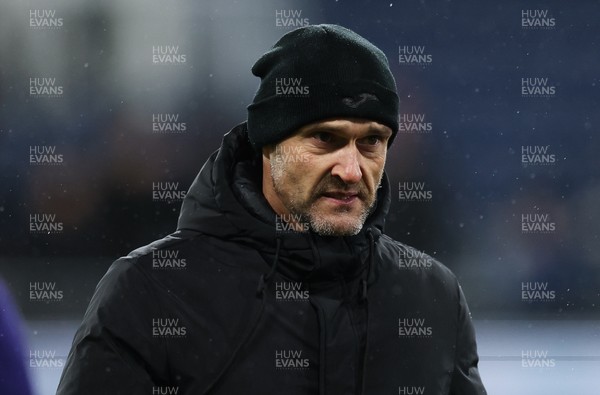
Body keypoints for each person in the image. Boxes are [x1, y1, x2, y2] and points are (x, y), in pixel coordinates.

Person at [57, 24, 487, 395]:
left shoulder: (433, 298)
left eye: (371, 141)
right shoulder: (150, 293)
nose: (352, 170)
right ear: (269, 143)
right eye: (325, 138)